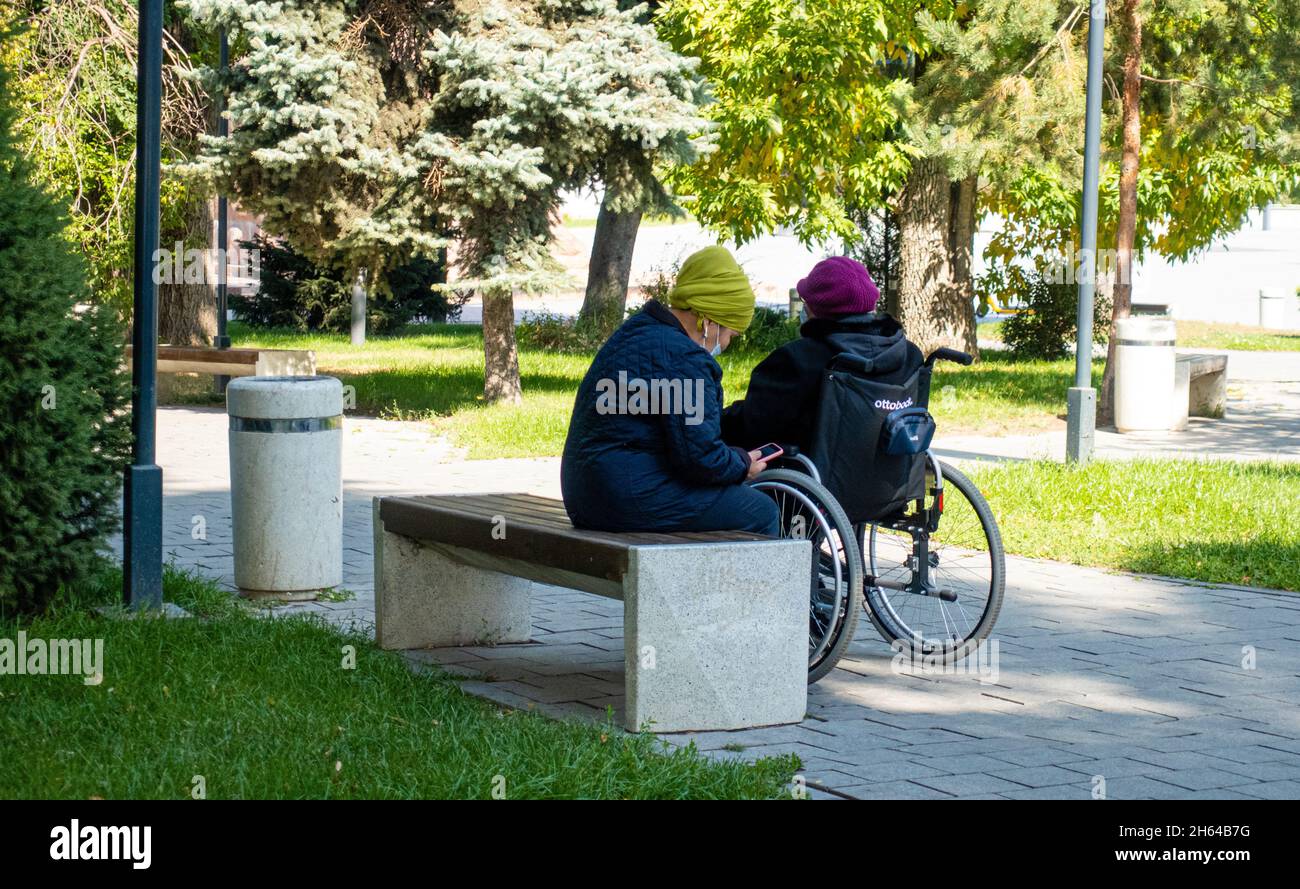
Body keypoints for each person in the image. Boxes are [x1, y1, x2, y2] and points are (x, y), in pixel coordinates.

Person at [561, 246, 780, 535]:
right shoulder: (685, 359)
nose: (726, 344)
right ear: (708, 321)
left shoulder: (638, 331)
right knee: (761, 511)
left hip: (587, 490)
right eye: (730, 334)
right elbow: (700, 459)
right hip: (624, 496)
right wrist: (742, 463)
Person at [721, 256, 923, 450]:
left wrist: (710, 420)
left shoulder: (798, 360)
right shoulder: (910, 356)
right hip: (891, 478)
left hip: (809, 477)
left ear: (815, 308)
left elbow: (753, 426)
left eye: (805, 300)